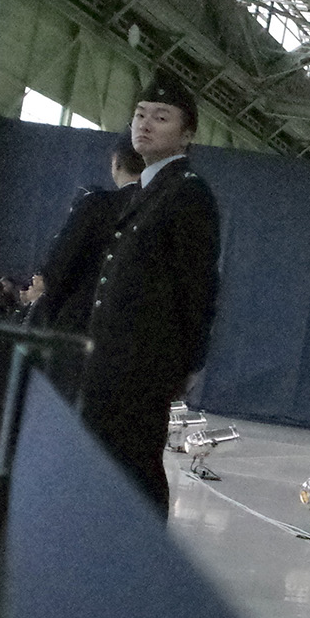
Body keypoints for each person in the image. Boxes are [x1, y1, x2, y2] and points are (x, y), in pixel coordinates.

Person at [78, 72, 220, 518]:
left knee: (135, 467)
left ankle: (143, 567)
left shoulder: (187, 193)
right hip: (112, 355)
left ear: (187, 133)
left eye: (161, 117)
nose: (144, 124)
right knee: (106, 465)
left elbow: (197, 286)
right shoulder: (150, 189)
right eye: (140, 114)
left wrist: (188, 362)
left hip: (143, 361)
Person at [30, 133, 145, 334]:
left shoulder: (96, 205)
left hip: (81, 330)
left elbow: (60, 265)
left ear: (116, 161)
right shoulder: (165, 211)